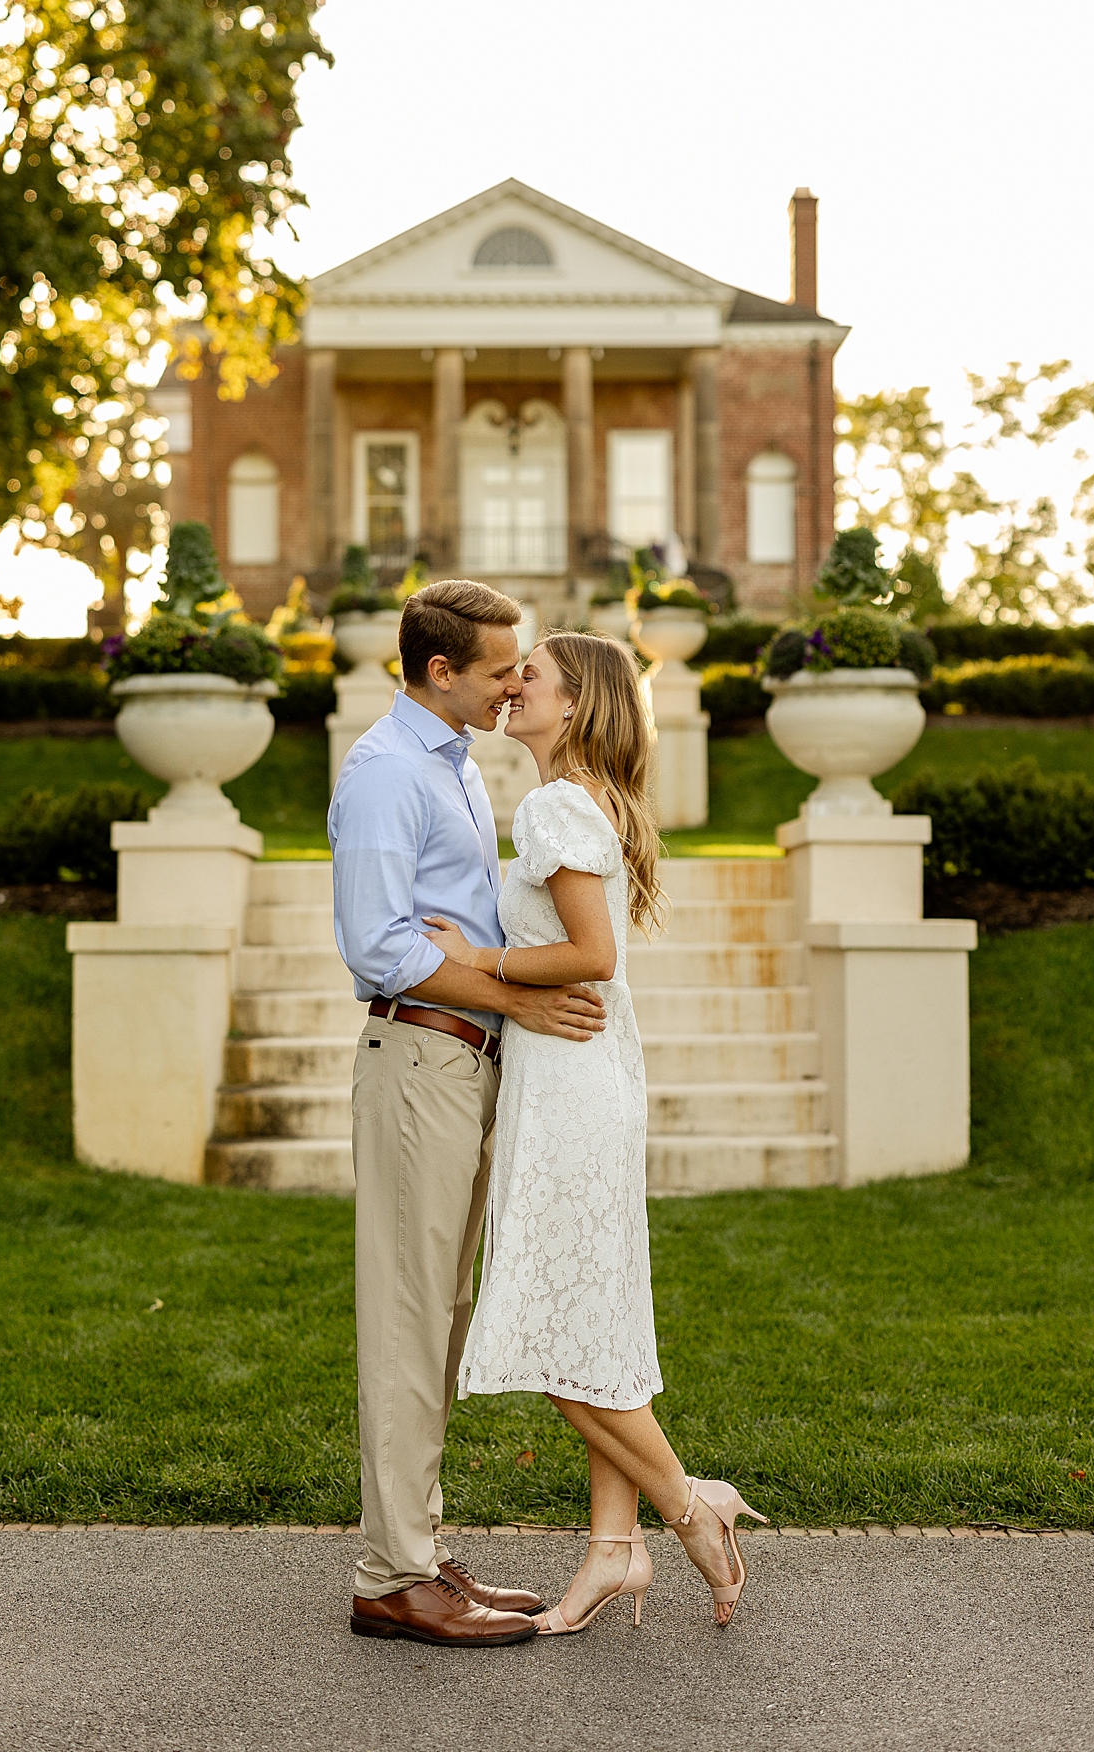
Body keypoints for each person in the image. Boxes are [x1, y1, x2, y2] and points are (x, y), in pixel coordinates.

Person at [423, 631, 769, 1635]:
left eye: (532, 674)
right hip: (585, 1076)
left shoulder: (555, 803)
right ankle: (612, 1553)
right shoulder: (585, 800)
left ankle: (687, 1505)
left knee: (541, 1330)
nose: (512, 682)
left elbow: (592, 953)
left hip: (573, 1088)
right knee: (594, 1333)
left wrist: (480, 959)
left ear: (575, 705)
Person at [329, 579, 608, 1650]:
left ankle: (415, 1548)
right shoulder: (388, 770)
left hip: (458, 1062)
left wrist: (494, 974)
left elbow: (448, 923)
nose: (512, 683)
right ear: (440, 670)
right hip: (418, 1060)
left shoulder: (442, 761)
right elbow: (379, 944)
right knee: (408, 1319)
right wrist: (516, 992)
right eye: (498, 668)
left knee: (436, 1316)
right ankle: (391, 1576)